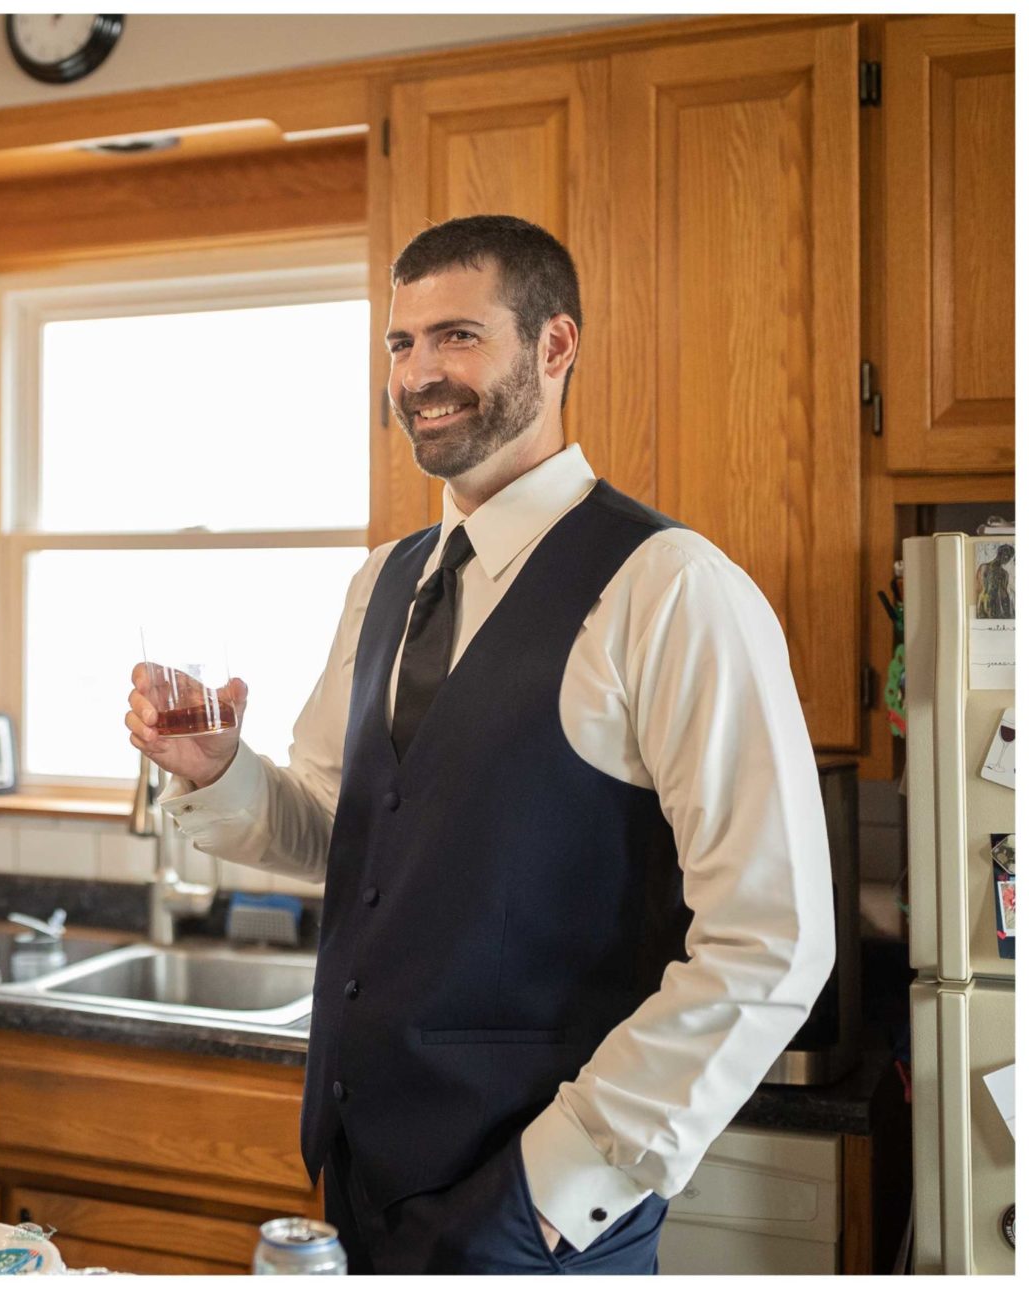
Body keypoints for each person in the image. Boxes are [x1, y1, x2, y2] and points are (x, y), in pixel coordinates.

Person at [125, 216, 834, 1273]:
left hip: (540, 1215)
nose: (420, 375)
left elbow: (772, 940)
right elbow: (343, 827)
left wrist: (557, 1183)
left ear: (556, 346)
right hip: (360, 1178)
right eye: (401, 345)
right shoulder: (386, 581)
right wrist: (220, 772)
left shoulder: (673, 588)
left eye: (456, 336)